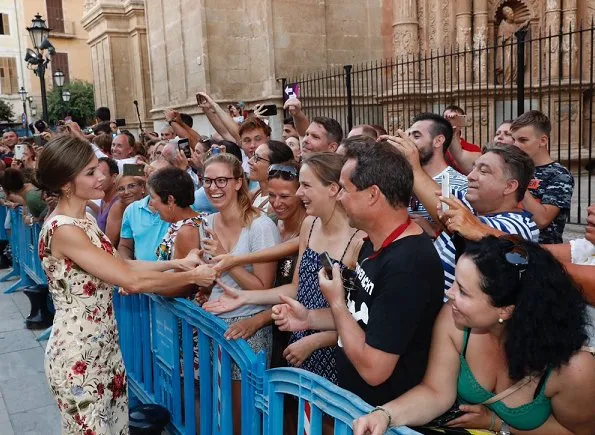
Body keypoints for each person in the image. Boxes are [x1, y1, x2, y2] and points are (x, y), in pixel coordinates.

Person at [35, 135, 216, 434]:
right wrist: (191, 277)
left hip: (102, 345)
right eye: (90, 172)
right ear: (67, 183)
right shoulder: (64, 229)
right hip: (78, 353)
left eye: (99, 168)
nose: (102, 176)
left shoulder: (82, 220)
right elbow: (128, 279)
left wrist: (177, 264)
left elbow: (122, 264)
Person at [352, 236, 595, 435]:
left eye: (464, 292)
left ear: (506, 310)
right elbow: (436, 392)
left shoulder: (575, 369)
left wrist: (498, 425)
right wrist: (384, 415)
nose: (450, 293)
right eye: (455, 283)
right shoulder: (454, 320)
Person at [271, 139, 444, 407]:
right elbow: (362, 317)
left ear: (373, 194)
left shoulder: (408, 265)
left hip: (381, 415)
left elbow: (374, 370)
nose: (339, 197)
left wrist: (336, 302)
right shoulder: (373, 244)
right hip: (355, 406)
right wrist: (308, 319)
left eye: (346, 190)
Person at [205, 153, 363, 385]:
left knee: (328, 421)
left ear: (332, 189)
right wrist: (243, 297)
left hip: (334, 348)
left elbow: (359, 320)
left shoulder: (358, 240)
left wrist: (315, 341)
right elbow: (297, 288)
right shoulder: (310, 226)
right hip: (299, 336)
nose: (299, 194)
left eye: (305, 186)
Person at [391, 133, 539, 292]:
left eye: (483, 171)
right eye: (474, 167)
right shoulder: (474, 207)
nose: (470, 176)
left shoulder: (518, 226)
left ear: (510, 187)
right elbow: (439, 197)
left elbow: (449, 211)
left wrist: (414, 166)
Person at [199, 152, 280, 432]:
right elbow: (211, 277)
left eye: (221, 180)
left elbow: (263, 289)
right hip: (213, 324)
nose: (213, 187)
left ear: (238, 183)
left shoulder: (260, 226)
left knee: (242, 416)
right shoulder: (208, 223)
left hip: (247, 329)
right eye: (208, 181)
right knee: (219, 408)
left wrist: (226, 258)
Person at [511, 110, 573, 244]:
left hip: (541, 253)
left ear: (543, 140)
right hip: (511, 245)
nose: (515, 145)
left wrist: (518, 179)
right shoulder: (513, 167)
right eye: (513, 140)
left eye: (523, 140)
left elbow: (541, 220)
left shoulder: (559, 174)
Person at [402, 113, 467, 237]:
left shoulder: (461, 185)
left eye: (416, 136)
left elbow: (463, 233)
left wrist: (436, 232)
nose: (408, 142)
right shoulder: (402, 180)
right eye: (408, 136)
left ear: (438, 141)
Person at [248, 140, 294, 212]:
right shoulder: (254, 195)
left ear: (274, 166)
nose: (249, 161)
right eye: (253, 156)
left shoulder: (277, 204)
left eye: (257, 158)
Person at [105, 174, 146, 248]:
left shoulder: (153, 204)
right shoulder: (118, 208)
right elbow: (110, 243)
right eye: (121, 189)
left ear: (142, 187)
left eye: (131, 186)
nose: (126, 192)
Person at [95, 157, 119, 233]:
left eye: (102, 174)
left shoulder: (117, 204)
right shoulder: (104, 198)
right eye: (94, 174)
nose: (97, 179)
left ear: (114, 178)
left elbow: (109, 242)